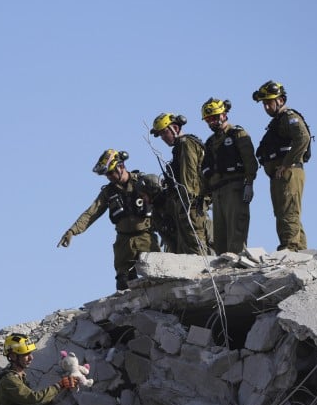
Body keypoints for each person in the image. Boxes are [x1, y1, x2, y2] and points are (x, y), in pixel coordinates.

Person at [58, 149, 163, 291]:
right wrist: (72, 231)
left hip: (146, 237)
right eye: (107, 174)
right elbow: (91, 213)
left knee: (157, 275)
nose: (109, 177)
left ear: (121, 166)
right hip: (123, 242)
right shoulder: (109, 192)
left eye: (111, 172)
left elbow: (164, 201)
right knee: (123, 283)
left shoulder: (142, 182)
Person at [253, 80, 311, 251]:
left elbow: (303, 138)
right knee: (284, 212)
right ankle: (299, 249)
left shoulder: (289, 117)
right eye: (264, 103)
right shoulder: (278, 121)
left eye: (269, 102)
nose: (266, 107)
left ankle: (291, 249)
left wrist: (286, 164)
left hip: (289, 172)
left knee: (288, 212)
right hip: (281, 174)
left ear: (280, 100)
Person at [200, 98, 258, 255]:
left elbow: (250, 161)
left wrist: (249, 184)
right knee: (220, 235)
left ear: (223, 115)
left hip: (235, 188)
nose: (211, 122)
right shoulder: (210, 142)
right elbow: (205, 172)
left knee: (236, 230)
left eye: (213, 118)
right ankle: (221, 268)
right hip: (217, 192)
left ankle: (237, 264)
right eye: (207, 120)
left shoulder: (237, 134)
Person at [149, 113, 211, 255]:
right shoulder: (179, 147)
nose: (163, 138)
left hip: (191, 203)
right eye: (161, 135)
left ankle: (204, 274)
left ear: (175, 128)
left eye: (165, 132)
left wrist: (187, 203)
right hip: (186, 202)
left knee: (195, 245)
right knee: (187, 246)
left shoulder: (185, 144)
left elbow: (189, 177)